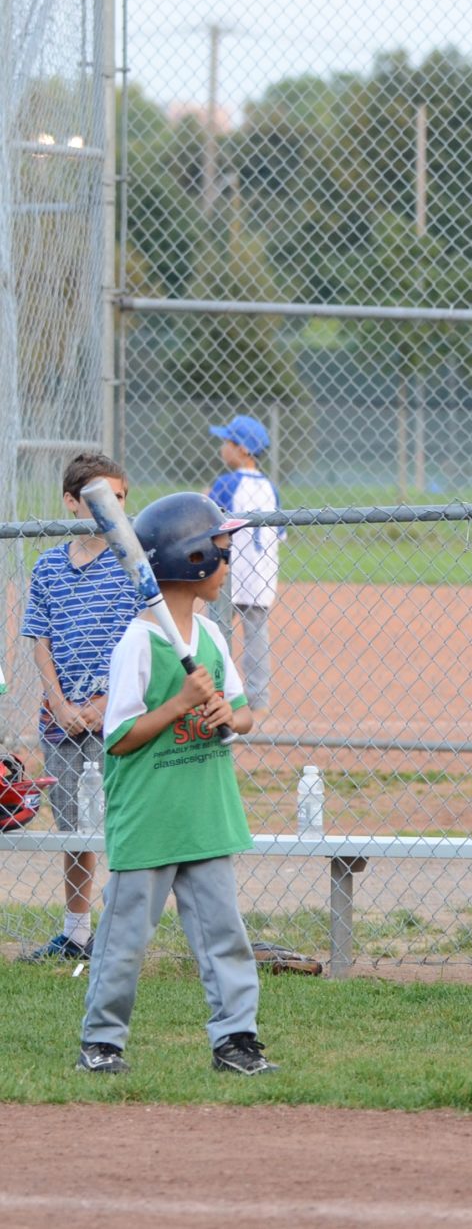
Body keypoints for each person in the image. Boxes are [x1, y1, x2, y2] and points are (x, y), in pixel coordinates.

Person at [77, 492, 273, 1077]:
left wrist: (224, 717)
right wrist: (182, 702)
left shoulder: (210, 636)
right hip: (151, 817)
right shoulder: (140, 641)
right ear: (192, 561)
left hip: (206, 812)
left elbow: (242, 714)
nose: (227, 562)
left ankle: (236, 1040)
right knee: (124, 938)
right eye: (219, 551)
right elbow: (121, 737)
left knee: (225, 937)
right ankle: (102, 1041)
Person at [18, 452, 140, 962]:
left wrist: (106, 703)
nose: (113, 508)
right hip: (61, 720)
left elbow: (143, 637)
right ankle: (77, 933)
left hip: (120, 717)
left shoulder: (132, 561)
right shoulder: (49, 565)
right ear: (71, 502)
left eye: (120, 498)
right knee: (74, 826)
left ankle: (123, 932)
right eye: (98, 499)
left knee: (126, 824)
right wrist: (59, 702)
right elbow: (39, 638)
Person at [207, 415, 285, 713]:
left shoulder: (227, 483)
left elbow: (210, 520)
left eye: (226, 442)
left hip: (229, 573)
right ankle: (258, 699)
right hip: (262, 574)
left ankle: (216, 694)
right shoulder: (270, 487)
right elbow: (279, 533)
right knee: (257, 637)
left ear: (241, 449)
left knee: (216, 633)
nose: (222, 448)